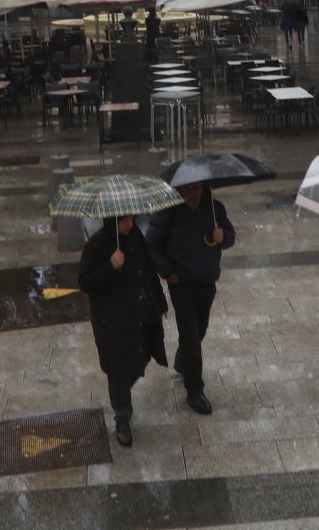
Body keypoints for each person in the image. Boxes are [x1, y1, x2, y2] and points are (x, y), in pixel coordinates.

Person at [144, 181, 236, 415]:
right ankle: (195, 391)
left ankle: (182, 360)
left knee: (200, 329)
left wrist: (222, 236)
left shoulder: (215, 208)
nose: (191, 194)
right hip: (181, 283)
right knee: (191, 337)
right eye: (186, 189)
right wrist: (168, 272)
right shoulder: (167, 212)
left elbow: (230, 238)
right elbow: (151, 246)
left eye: (196, 189)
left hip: (206, 281)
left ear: (204, 188)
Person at [78, 214, 169, 446]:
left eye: (132, 219)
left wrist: (159, 301)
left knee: (144, 354)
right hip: (113, 320)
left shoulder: (136, 235)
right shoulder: (96, 245)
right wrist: (110, 266)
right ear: (113, 221)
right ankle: (122, 417)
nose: (130, 225)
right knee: (118, 368)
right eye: (124, 221)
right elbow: (86, 282)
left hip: (140, 313)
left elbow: (147, 270)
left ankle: (121, 393)